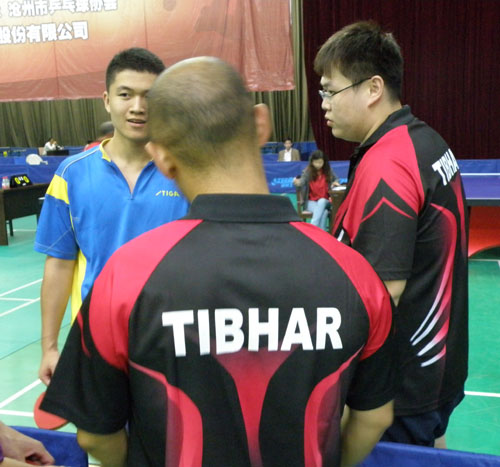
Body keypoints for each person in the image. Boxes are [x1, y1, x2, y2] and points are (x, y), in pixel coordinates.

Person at [41, 57, 395, 467]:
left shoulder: (123, 278)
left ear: (161, 157)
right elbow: (374, 417)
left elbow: (95, 435)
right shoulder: (354, 273)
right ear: (261, 124)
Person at [315, 21, 468, 448]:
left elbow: (382, 294)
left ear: (373, 88)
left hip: (400, 390)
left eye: (330, 91)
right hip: (438, 373)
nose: (323, 104)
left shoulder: (389, 163)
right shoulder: (428, 141)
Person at [34, 47, 189, 386]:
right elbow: (59, 264)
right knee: (99, 424)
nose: (138, 107)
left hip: (172, 337)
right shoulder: (70, 175)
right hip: (95, 338)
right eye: (125, 94)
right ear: (107, 100)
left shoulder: (188, 171)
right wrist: (50, 347)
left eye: (149, 96)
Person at [293, 149, 340, 231]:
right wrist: (297, 182)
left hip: (326, 201)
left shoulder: (328, 171)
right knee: (324, 212)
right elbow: (301, 181)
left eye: (320, 162)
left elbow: (336, 179)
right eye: (316, 162)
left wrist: (335, 182)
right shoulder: (307, 172)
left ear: (324, 162)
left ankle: (312, 229)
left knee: (322, 201)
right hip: (310, 202)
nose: (318, 165)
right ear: (312, 162)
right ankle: (322, 234)